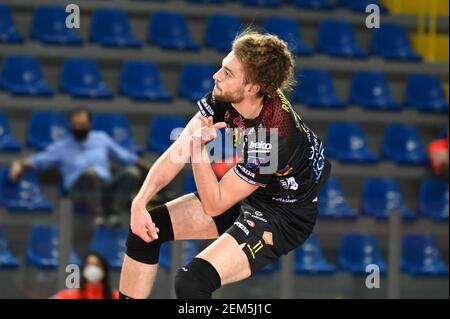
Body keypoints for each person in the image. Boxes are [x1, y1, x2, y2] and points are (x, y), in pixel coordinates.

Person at [119, 31, 331, 299]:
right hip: (255, 192)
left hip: (283, 216)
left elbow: (214, 204)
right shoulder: (229, 96)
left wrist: (199, 154)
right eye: (222, 67)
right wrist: (140, 203)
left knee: (192, 282)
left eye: (227, 73)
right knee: (145, 229)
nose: (216, 76)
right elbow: (177, 150)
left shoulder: (273, 137)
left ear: (253, 87)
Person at [8, 107, 152, 226]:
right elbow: (38, 160)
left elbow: (127, 157)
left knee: (131, 173)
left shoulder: (101, 138)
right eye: (76, 125)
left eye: (82, 125)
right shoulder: (62, 146)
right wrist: (18, 163)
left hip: (106, 187)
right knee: (91, 173)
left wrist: (151, 168)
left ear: (89, 124)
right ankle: (98, 215)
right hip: (78, 190)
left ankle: (114, 212)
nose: (79, 128)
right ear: (70, 125)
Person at [51, 252, 118, 299]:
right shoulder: (68, 296)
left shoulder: (116, 296)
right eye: (89, 265)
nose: (92, 268)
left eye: (97, 265)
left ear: (104, 270)